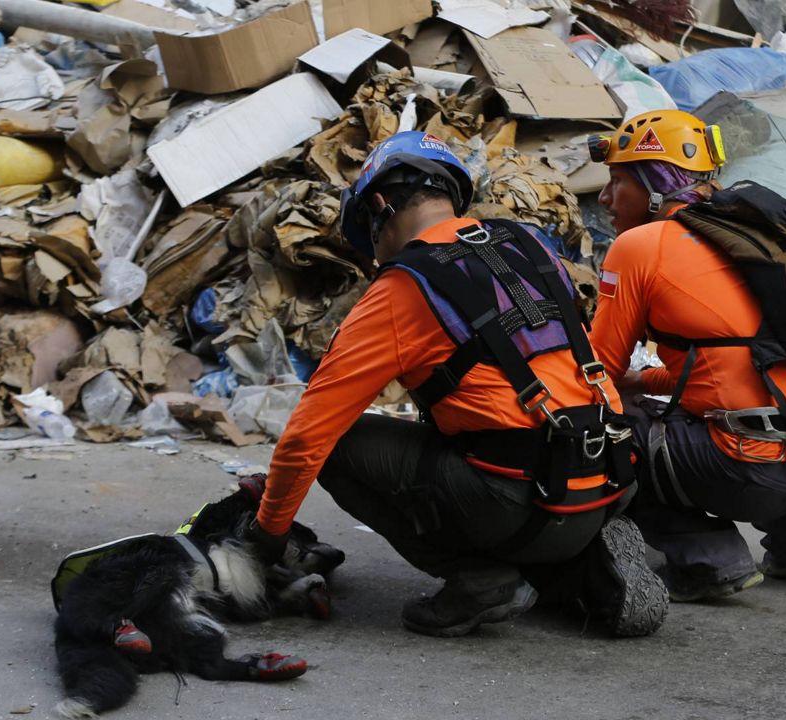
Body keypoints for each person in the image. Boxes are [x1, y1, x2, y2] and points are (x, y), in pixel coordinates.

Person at [241, 131, 667, 637]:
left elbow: (308, 436)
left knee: (340, 447)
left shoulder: (401, 287)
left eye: (370, 233)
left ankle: (480, 579)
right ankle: (586, 561)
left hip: (520, 499)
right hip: (607, 476)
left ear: (379, 204)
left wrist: (268, 536)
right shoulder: (526, 245)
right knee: (469, 422)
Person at [586, 110, 786, 602]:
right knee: (757, 413)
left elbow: (594, 372)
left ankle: (709, 558)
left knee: (603, 427)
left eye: (617, 181)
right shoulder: (756, 233)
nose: (605, 199)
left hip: (750, 469)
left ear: (655, 188)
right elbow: (739, 364)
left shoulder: (639, 245)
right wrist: (645, 382)